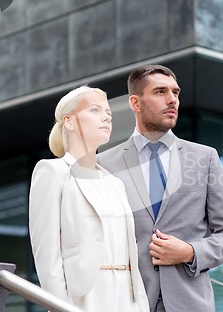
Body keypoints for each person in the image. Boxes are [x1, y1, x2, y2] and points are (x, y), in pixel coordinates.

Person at [98, 65, 223, 312]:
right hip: (127, 303)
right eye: (160, 92)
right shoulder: (104, 163)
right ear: (135, 102)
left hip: (190, 303)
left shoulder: (205, 158)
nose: (172, 100)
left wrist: (190, 251)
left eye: (175, 93)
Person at [28, 86, 149, 312]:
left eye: (108, 113)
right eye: (95, 110)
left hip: (126, 298)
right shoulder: (53, 172)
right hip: (84, 297)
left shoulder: (115, 183)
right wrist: (59, 306)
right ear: (70, 122)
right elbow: (47, 254)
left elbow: (130, 253)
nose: (106, 117)